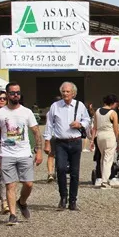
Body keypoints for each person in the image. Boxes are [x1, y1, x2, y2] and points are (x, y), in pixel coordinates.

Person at [0, 82, 44, 226]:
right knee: (10, 185)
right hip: (7, 153)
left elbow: (36, 132)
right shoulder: (0, 113)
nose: (15, 95)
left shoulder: (27, 112)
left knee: (29, 184)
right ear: (7, 94)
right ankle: (12, 215)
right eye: (12, 93)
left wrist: (39, 151)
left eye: (18, 92)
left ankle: (22, 202)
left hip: (25, 153)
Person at [43, 82, 91, 212]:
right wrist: (47, 141)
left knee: (75, 173)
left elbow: (87, 120)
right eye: (63, 91)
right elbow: (50, 125)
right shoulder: (55, 106)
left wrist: (80, 124)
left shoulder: (79, 105)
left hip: (75, 142)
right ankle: (63, 196)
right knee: (61, 168)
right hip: (61, 142)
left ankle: (73, 200)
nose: (65, 94)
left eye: (67, 91)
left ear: (73, 93)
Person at [92, 94, 119, 189]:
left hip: (100, 135)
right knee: (108, 159)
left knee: (102, 158)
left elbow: (94, 127)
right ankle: (105, 181)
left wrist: (92, 140)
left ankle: (102, 178)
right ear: (113, 103)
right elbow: (116, 129)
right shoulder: (113, 113)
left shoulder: (97, 111)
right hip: (109, 135)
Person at [44, 96, 61, 183]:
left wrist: (46, 139)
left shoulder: (49, 113)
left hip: (52, 135)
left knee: (51, 155)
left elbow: (48, 126)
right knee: (63, 154)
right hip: (60, 135)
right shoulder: (63, 111)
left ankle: (50, 173)